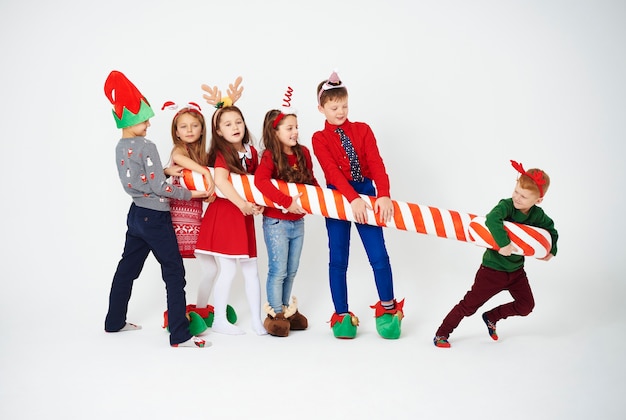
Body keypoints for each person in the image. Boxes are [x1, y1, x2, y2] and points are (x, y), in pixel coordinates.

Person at [103, 70, 209, 348]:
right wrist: (193, 193)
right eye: (145, 119)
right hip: (155, 217)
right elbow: (161, 189)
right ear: (132, 119)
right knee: (174, 272)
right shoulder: (147, 146)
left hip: (136, 215)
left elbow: (137, 180)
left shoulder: (120, 146)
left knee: (127, 269)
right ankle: (180, 334)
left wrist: (163, 171)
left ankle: (114, 321)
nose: (149, 124)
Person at [312, 70, 404, 340]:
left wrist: (383, 193)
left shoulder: (363, 130)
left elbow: (376, 162)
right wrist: (351, 199)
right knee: (338, 258)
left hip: (367, 191)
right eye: (333, 107)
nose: (340, 112)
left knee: (379, 255)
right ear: (321, 108)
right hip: (338, 196)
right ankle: (342, 316)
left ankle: (388, 310)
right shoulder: (320, 138)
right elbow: (331, 171)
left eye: (344, 106)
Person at [433, 160, 559, 348]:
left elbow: (551, 231)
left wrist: (551, 250)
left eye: (523, 197)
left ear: (538, 200)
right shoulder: (506, 206)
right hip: (492, 271)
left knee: (526, 306)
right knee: (469, 306)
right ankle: (442, 333)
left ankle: (492, 316)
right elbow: (492, 219)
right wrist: (503, 244)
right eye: (516, 191)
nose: (517, 198)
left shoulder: (537, 216)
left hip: (516, 272)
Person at [194, 103, 267, 336]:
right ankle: (220, 321)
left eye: (238, 121)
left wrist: (256, 203)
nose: (235, 127)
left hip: (243, 216)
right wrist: (243, 204)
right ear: (218, 131)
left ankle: (257, 319)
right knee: (227, 270)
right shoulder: (221, 153)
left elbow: (255, 183)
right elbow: (222, 181)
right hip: (225, 215)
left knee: (251, 270)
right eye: (227, 124)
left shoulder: (251, 152)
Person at [254, 92, 319, 337]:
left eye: (296, 127)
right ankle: (275, 314)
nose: (295, 132)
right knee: (278, 269)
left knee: (292, 270)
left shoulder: (303, 152)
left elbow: (311, 182)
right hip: (277, 221)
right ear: (275, 132)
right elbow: (261, 182)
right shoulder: (270, 156)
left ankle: (287, 311)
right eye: (289, 127)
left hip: (297, 222)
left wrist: (320, 202)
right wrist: (285, 203)